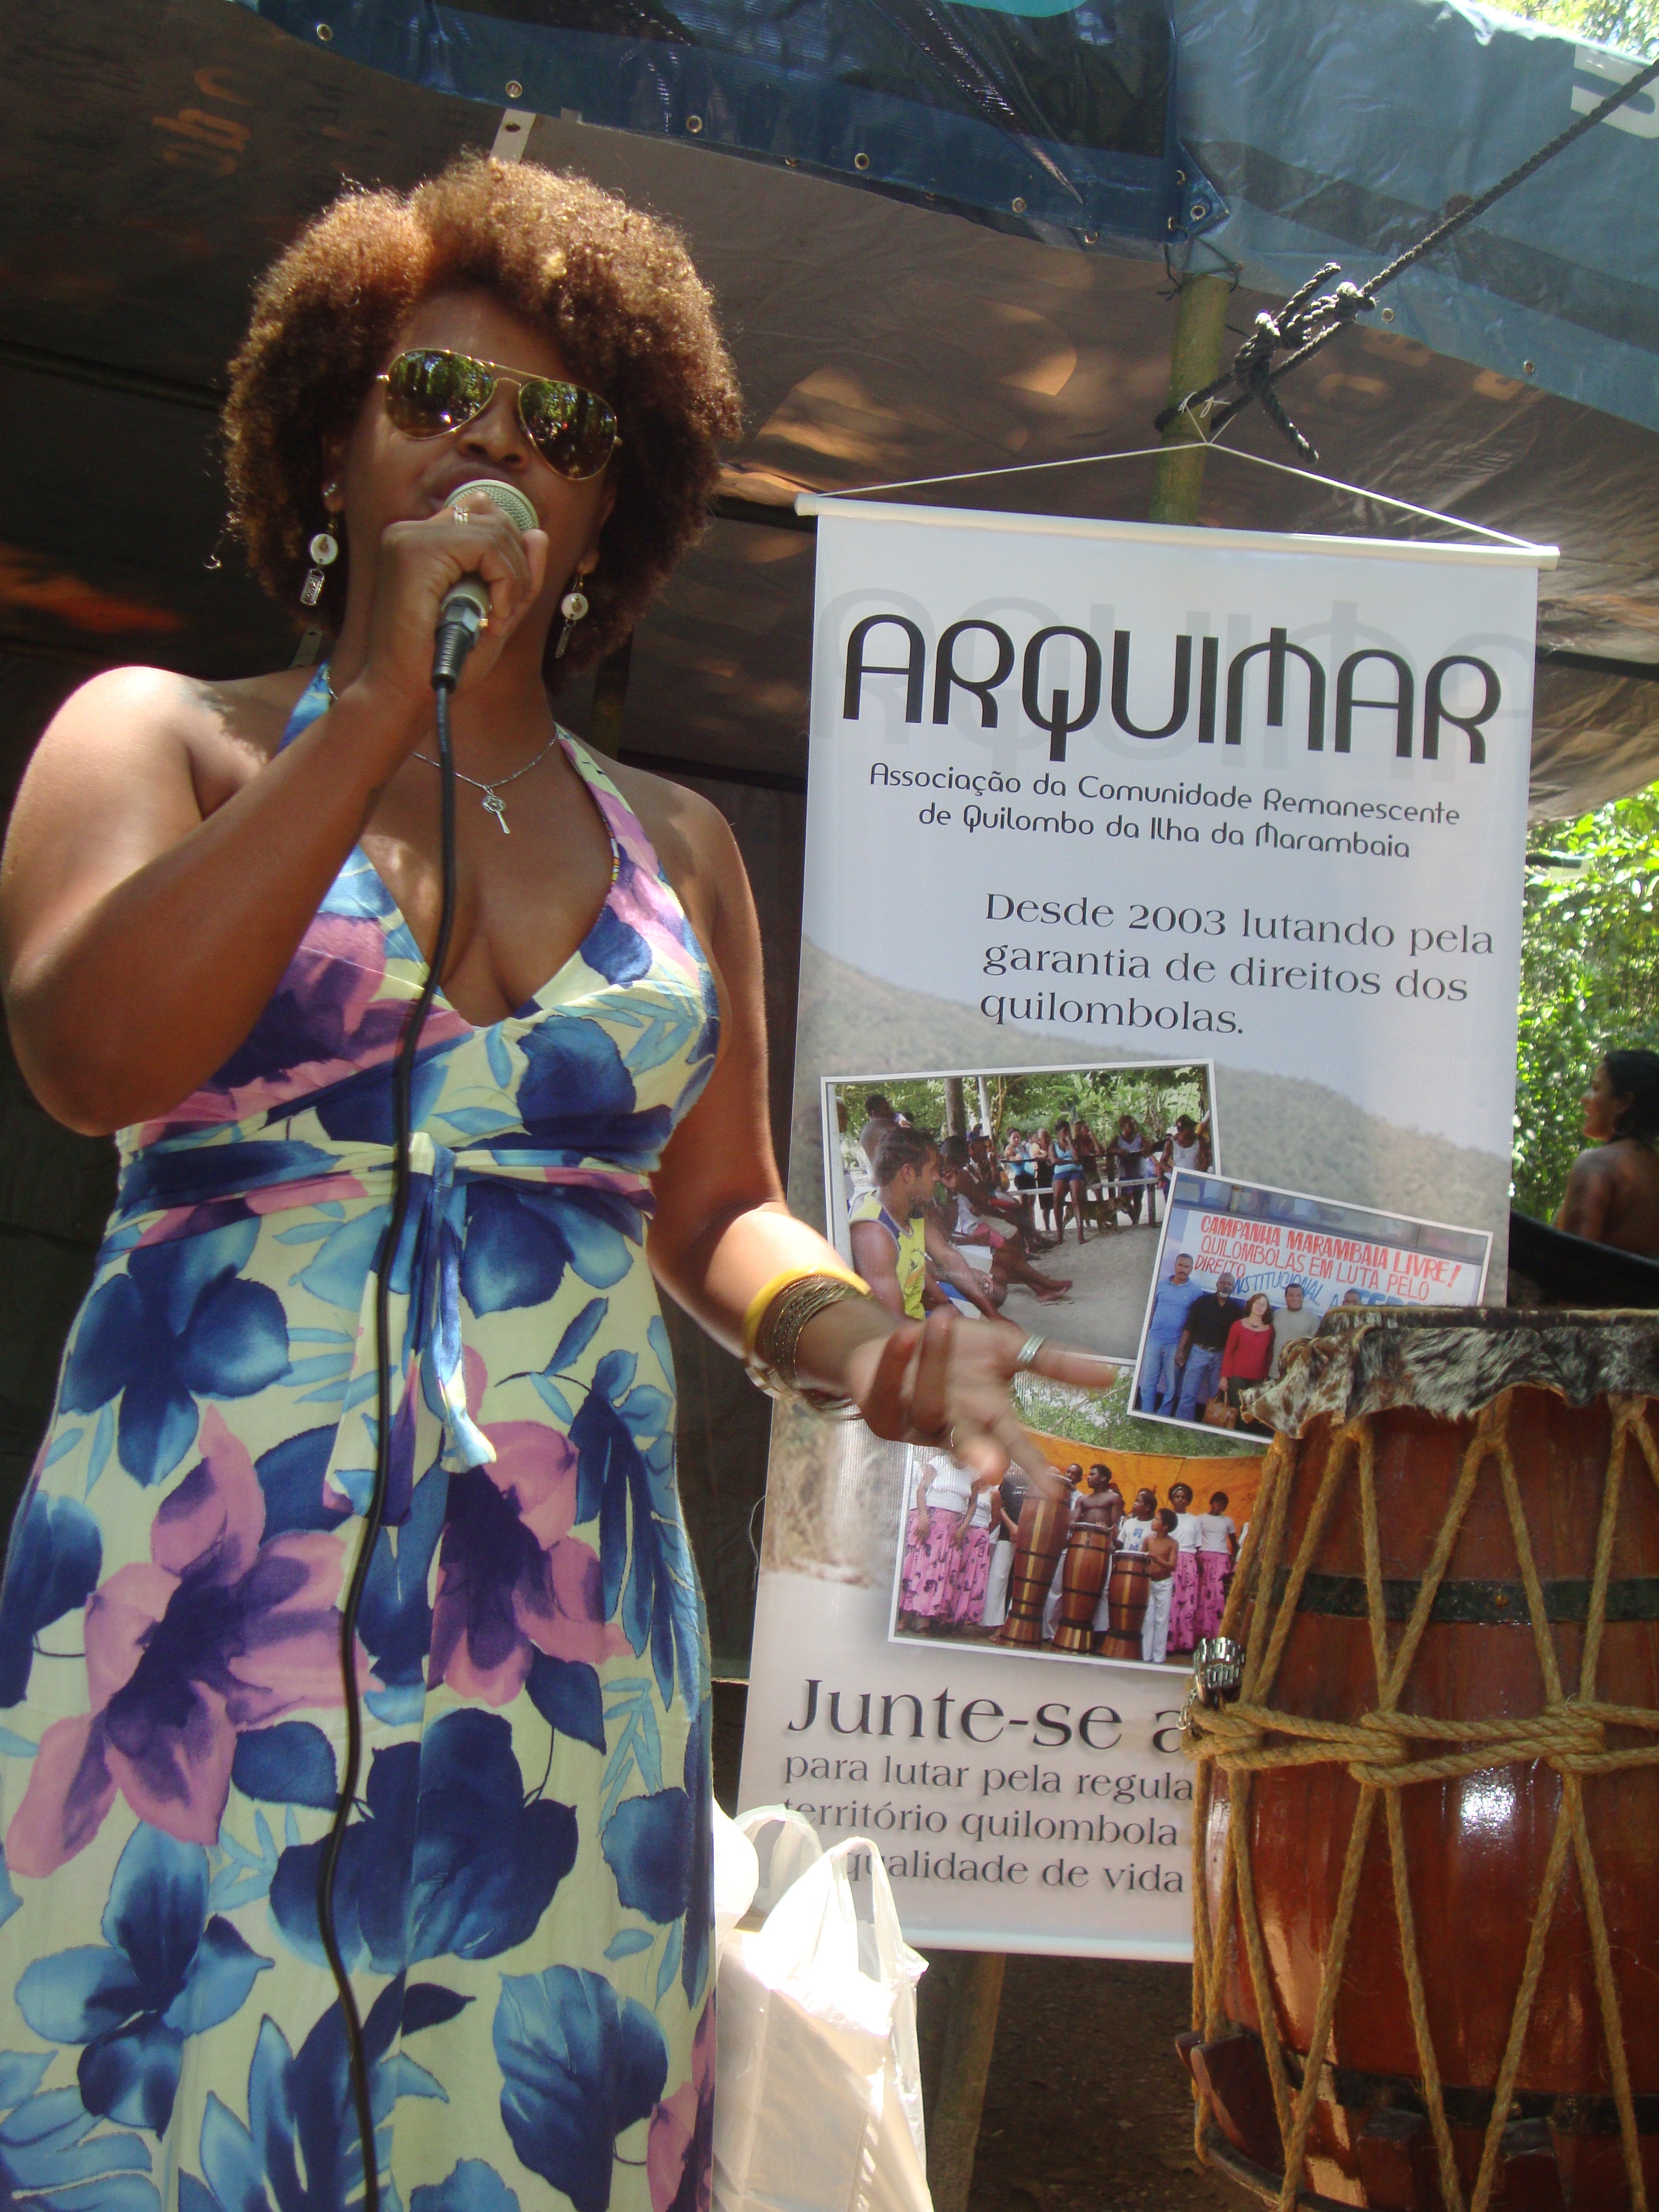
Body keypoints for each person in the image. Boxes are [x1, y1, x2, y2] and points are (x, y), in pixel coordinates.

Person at [0, 156, 1119, 2212]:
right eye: (434, 393)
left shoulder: (677, 846)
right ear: (329, 441)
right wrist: (375, 707)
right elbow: (90, 1054)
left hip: (558, 1613)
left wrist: (867, 1347)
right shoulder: (161, 739)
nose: (493, 444)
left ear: (613, 513)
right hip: (203, 1593)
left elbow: (712, 1212)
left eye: (562, 426)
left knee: (523, 2133)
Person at [850, 1126, 1009, 1321]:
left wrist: (993, 1317)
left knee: (993, 1305)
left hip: (915, 1323)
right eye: (932, 1170)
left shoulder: (914, 1212)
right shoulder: (873, 1233)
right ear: (908, 1173)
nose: (937, 1177)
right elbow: (893, 1324)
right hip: (899, 1332)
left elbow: (946, 1257)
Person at [937, 1137, 1071, 1303]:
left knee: (1011, 1256)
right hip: (972, 1227)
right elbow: (981, 1200)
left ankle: (1041, 1287)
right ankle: (1043, 1285)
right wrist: (1004, 1215)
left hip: (970, 1226)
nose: (967, 1156)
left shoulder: (957, 1173)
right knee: (1010, 1255)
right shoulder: (959, 1175)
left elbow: (983, 1193)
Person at [1555, 1047, 1659, 1257]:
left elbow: (1574, 1262)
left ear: (1624, 1104)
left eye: (1596, 1089)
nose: (1584, 1098)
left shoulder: (1597, 1165)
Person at [897, 1449, 973, 1633]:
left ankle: (925, 1620)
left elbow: (973, 1504)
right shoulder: (938, 1463)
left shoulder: (973, 1472)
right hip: (931, 1525)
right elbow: (921, 1491)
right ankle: (905, 1617)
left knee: (940, 1574)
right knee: (920, 1569)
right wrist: (923, 1518)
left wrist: (963, 1528)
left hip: (953, 1531)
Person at [1175, 1271, 1244, 1420]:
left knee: (1216, 1396)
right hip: (1198, 1352)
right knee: (1188, 1394)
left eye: (1230, 1284)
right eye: (1223, 1283)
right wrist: (1181, 1350)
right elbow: (1189, 1328)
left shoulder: (1236, 1310)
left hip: (1221, 1356)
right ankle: (1181, 1425)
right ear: (1217, 1284)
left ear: (1233, 1288)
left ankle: (1209, 1426)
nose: (1226, 1286)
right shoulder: (1202, 1302)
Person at [1139, 1249, 1201, 1412]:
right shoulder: (1160, 1285)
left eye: (1187, 1267)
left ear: (1192, 1269)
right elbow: (1151, 1310)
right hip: (1154, 1340)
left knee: (1172, 1387)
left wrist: (1184, 1349)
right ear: (1175, 1265)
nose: (1183, 1269)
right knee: (1148, 1383)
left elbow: (1194, 1323)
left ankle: (1163, 1416)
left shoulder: (1196, 1292)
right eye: (1180, 1265)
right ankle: (1146, 1414)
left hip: (1176, 1344)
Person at [1220, 1291, 1277, 1410]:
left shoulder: (1270, 1330)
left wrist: (1265, 1376)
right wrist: (1224, 1377)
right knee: (1237, 1409)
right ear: (1251, 1304)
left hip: (1258, 1379)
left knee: (1251, 1411)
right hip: (1237, 1377)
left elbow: (1269, 1354)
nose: (1260, 1307)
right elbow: (1229, 1352)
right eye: (1257, 1303)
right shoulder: (1238, 1325)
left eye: (1264, 1305)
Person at [1165, 1481, 1203, 1654]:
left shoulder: (1195, 1520)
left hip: (1189, 1562)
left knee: (1188, 1603)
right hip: (1171, 1560)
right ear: (1172, 1499)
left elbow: (1198, 1546)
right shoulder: (1167, 1518)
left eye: (1184, 1497)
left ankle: (1186, 1643)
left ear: (1189, 1500)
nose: (1180, 1500)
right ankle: (1168, 1643)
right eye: (1177, 1497)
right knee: (1171, 1602)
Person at [1195, 1490, 1238, 1641]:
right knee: (1203, 1592)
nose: (1219, 1507)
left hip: (1222, 1557)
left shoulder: (1228, 1521)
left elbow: (1234, 1543)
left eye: (1223, 1505)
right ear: (1211, 1503)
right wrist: (1197, 1556)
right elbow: (1196, 1540)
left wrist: (1233, 1559)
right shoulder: (1200, 1519)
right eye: (1217, 1503)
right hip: (1204, 1556)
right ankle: (1201, 1632)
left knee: (1218, 1594)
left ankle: (1216, 1631)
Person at [1141, 1506, 1179, 1663]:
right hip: (1149, 1582)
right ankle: (1146, 1655)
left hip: (1164, 1584)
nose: (1153, 1521)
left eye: (1157, 1520)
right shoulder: (1148, 1540)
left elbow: (1172, 1566)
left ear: (1165, 1526)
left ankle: (1158, 1657)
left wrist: (1158, 1559)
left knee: (1162, 1620)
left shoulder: (1172, 1544)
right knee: (1148, 1619)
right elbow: (1142, 1559)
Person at [1050, 1118, 1089, 1243]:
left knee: (1077, 1199)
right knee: (1057, 1199)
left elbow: (1077, 1157)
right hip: (1060, 1173)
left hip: (1076, 1172)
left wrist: (1070, 1143)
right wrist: (1070, 1161)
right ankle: (1060, 1234)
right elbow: (1054, 1160)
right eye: (1064, 1131)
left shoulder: (1075, 1143)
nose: (1067, 1133)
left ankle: (1080, 1233)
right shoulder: (1053, 1146)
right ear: (1058, 1133)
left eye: (1068, 1131)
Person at [1271, 1280, 1322, 1376]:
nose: (1295, 1298)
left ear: (1303, 1297)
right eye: (1291, 1295)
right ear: (1286, 1297)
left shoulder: (1313, 1319)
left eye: (1299, 1296)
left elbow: (1315, 1349)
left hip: (1297, 1374)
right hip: (1274, 1371)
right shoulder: (1276, 1315)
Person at [860, 1091, 899, 1177]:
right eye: (885, 1109)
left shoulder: (868, 1129)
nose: (891, 1112)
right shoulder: (883, 1127)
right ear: (874, 1113)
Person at [1162, 1113, 1211, 1177]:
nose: (1194, 1130)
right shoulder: (1171, 1143)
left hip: (1196, 1177)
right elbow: (1162, 1162)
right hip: (1179, 1178)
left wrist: (1199, 1175)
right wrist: (1174, 1172)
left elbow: (1206, 1160)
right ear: (1184, 1130)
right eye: (1191, 1128)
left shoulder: (1199, 1140)